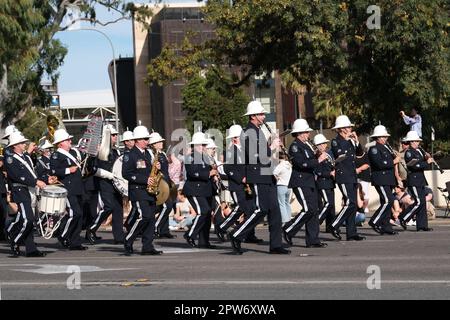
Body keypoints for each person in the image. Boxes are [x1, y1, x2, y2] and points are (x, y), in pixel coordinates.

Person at [229, 100, 290, 255]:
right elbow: (256, 156)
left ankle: (275, 245)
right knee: (260, 209)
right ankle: (236, 234)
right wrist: (272, 147)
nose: (264, 116)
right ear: (253, 116)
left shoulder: (258, 131)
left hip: (266, 175)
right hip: (257, 175)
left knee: (275, 211)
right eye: (261, 114)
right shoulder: (248, 132)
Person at [282, 119, 327, 248]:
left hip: (310, 181)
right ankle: (289, 229)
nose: (308, 134)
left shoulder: (307, 145)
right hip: (300, 180)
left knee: (314, 210)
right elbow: (301, 163)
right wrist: (317, 160)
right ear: (300, 133)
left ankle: (313, 239)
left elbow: (312, 162)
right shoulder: (295, 146)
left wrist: (318, 157)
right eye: (306, 132)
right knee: (308, 209)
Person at [122, 125, 163, 255]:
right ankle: (128, 239)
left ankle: (148, 246)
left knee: (151, 218)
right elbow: (126, 173)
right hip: (138, 190)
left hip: (149, 191)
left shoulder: (147, 154)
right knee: (143, 216)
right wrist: (144, 180)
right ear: (138, 140)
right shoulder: (130, 154)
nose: (147, 141)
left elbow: (149, 171)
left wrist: (157, 167)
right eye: (145, 139)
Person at [5, 131, 46, 257]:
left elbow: (31, 173)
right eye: (22, 143)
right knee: (28, 219)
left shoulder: (25, 157)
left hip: (29, 190)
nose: (24, 144)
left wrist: (44, 180)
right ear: (15, 145)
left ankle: (31, 249)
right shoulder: (11, 159)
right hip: (20, 191)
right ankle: (15, 240)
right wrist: (35, 182)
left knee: (30, 220)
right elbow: (17, 176)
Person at [329, 115, 365, 241]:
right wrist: (347, 140)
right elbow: (340, 154)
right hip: (343, 175)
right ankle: (334, 225)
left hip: (352, 175)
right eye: (348, 127)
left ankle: (351, 232)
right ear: (342, 129)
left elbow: (360, 154)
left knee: (354, 204)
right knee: (349, 202)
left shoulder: (350, 141)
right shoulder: (336, 141)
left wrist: (356, 141)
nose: (350, 128)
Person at [87, 124, 125, 245]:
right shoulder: (99, 151)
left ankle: (119, 236)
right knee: (108, 207)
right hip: (105, 184)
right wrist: (109, 175)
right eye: (113, 135)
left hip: (117, 184)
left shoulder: (116, 151)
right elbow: (92, 169)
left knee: (118, 210)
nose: (115, 137)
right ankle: (91, 228)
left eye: (116, 135)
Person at [50, 129, 87, 251]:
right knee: (73, 213)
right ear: (60, 143)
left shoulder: (73, 153)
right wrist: (67, 170)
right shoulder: (57, 155)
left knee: (79, 215)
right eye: (67, 140)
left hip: (77, 187)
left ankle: (75, 241)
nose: (70, 141)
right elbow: (54, 171)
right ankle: (63, 235)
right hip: (67, 188)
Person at [182, 131, 216, 249]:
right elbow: (193, 173)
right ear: (195, 145)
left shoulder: (205, 157)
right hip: (194, 189)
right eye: (202, 145)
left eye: (204, 145)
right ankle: (190, 234)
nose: (204, 147)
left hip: (205, 190)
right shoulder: (189, 157)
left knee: (207, 215)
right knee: (203, 211)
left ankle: (204, 241)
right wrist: (208, 173)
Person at [367, 124, 400, 235]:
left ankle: (386, 227)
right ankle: (375, 221)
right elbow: (379, 164)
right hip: (381, 178)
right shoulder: (374, 148)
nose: (385, 139)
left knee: (386, 202)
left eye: (386, 137)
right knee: (388, 200)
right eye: (383, 137)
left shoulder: (385, 147)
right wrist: (394, 161)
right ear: (377, 137)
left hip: (388, 179)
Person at [398, 130, 433, 231]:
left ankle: (422, 226)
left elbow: (421, 163)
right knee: (418, 202)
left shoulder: (419, 151)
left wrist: (427, 157)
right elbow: (414, 166)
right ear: (412, 141)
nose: (418, 143)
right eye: (416, 141)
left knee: (422, 202)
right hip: (414, 180)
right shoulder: (409, 152)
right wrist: (427, 162)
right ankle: (403, 217)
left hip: (421, 180)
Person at [150, 131, 176, 239]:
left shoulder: (162, 153)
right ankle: (155, 227)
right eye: (159, 141)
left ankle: (164, 230)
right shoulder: (152, 154)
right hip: (159, 183)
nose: (161, 143)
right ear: (154, 144)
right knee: (167, 206)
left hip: (165, 182)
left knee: (163, 207)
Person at [313, 134, 336, 232]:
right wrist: (329, 173)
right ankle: (316, 222)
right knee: (328, 204)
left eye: (324, 143)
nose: (324, 145)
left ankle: (330, 226)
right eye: (322, 144)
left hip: (330, 182)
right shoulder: (315, 156)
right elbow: (317, 171)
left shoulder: (328, 154)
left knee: (331, 206)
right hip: (322, 182)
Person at [273, 152, 292, 225]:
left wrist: (277, 179)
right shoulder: (289, 165)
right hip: (288, 186)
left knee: (281, 204)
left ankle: (284, 221)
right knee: (287, 203)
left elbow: (274, 173)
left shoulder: (280, 165)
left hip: (281, 185)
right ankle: (289, 219)